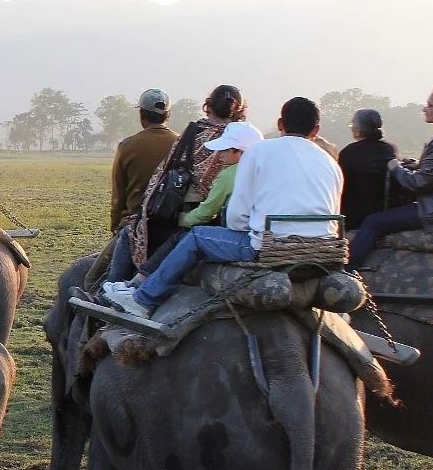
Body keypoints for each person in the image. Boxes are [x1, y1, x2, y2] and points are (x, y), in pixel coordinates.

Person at [103, 97, 342, 318]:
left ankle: (143, 299)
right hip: (322, 251)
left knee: (196, 237)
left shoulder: (259, 151)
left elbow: (238, 216)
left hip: (267, 247)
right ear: (316, 130)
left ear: (280, 124)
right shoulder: (331, 162)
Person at [111, 85, 247, 282]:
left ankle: (108, 294)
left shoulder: (193, 134)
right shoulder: (248, 140)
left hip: (187, 218)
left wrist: (121, 223)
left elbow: (161, 177)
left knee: (129, 232)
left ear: (208, 106)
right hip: (230, 225)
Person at [347, 85, 433, 269]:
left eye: (430, 105)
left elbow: (417, 184)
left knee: (373, 222)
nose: (425, 109)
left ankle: (347, 272)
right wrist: (418, 165)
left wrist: (395, 166)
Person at [109, 89, 180, 231]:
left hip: (134, 224)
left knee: (105, 255)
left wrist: (115, 227)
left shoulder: (127, 146)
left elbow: (119, 196)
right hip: (172, 225)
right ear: (168, 114)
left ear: (141, 114)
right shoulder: (182, 143)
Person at [179, 121, 264, 228]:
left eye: (225, 150)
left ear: (241, 152)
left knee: (194, 235)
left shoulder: (228, 175)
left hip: (239, 232)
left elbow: (207, 212)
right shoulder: (265, 168)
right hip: (261, 229)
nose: (219, 154)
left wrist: (184, 219)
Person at [338, 109, 407, 229]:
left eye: (352, 124)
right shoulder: (389, 150)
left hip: (353, 217)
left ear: (358, 129)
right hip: (384, 212)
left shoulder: (348, 152)